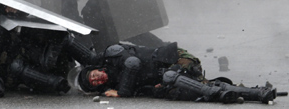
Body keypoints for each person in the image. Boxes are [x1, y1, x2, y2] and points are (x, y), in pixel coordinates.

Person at [74, 42, 277, 104]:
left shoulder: (113, 55)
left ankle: (215, 94)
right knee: (178, 90)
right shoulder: (114, 83)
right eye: (95, 83)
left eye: (94, 76)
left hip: (179, 60)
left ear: (97, 69)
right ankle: (259, 93)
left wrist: (122, 93)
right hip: (175, 76)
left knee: (169, 77)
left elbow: (133, 63)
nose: (98, 79)